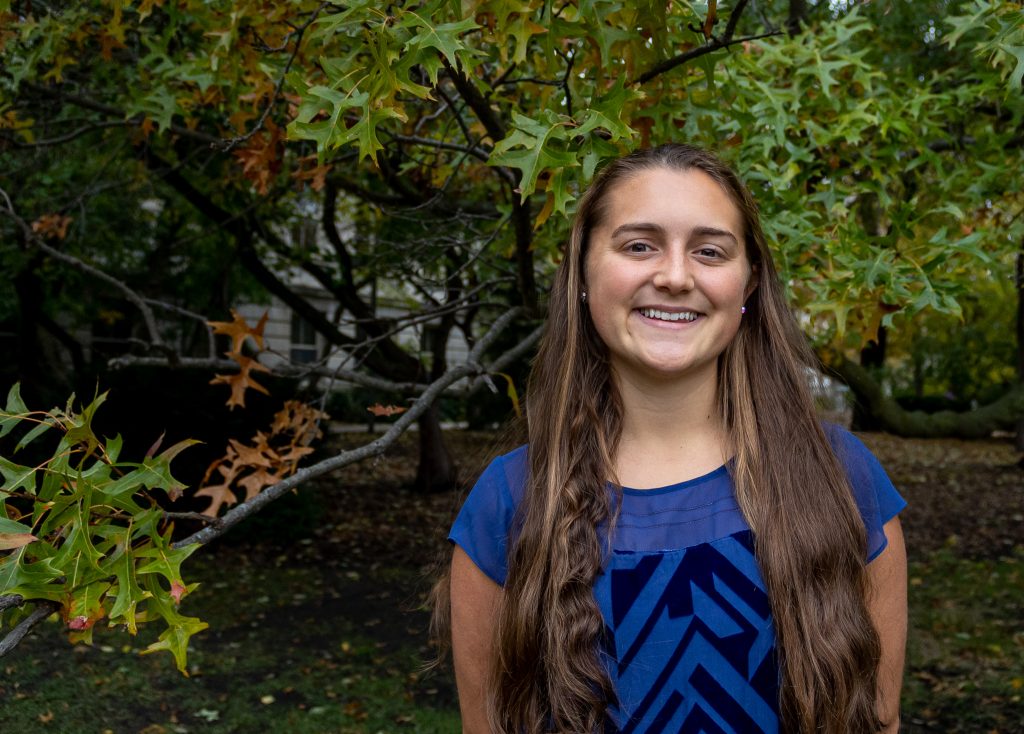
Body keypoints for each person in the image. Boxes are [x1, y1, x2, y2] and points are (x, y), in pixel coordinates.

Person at [441, 144, 907, 734]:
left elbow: (880, 721)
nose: (675, 276)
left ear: (749, 282)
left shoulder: (844, 479)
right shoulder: (509, 502)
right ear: (583, 271)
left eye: (710, 251)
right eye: (639, 245)